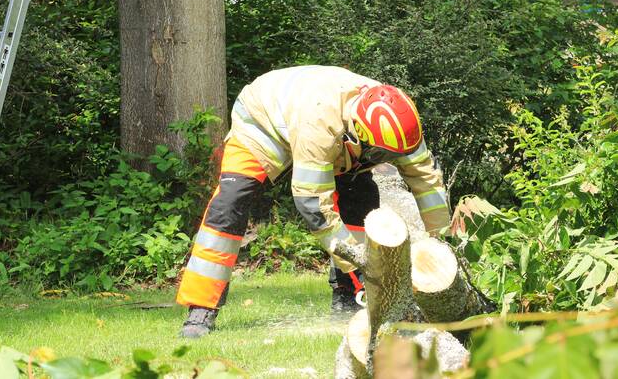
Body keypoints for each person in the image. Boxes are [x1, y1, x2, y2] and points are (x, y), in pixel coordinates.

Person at [176, 65, 450, 338]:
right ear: (357, 131)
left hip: (333, 137)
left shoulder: (400, 125)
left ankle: (348, 298)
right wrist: (360, 266)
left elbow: (428, 183)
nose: (387, 162)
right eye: (381, 156)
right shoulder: (319, 125)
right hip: (263, 124)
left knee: (361, 197)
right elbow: (314, 205)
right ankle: (201, 309)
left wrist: (442, 245)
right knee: (230, 203)